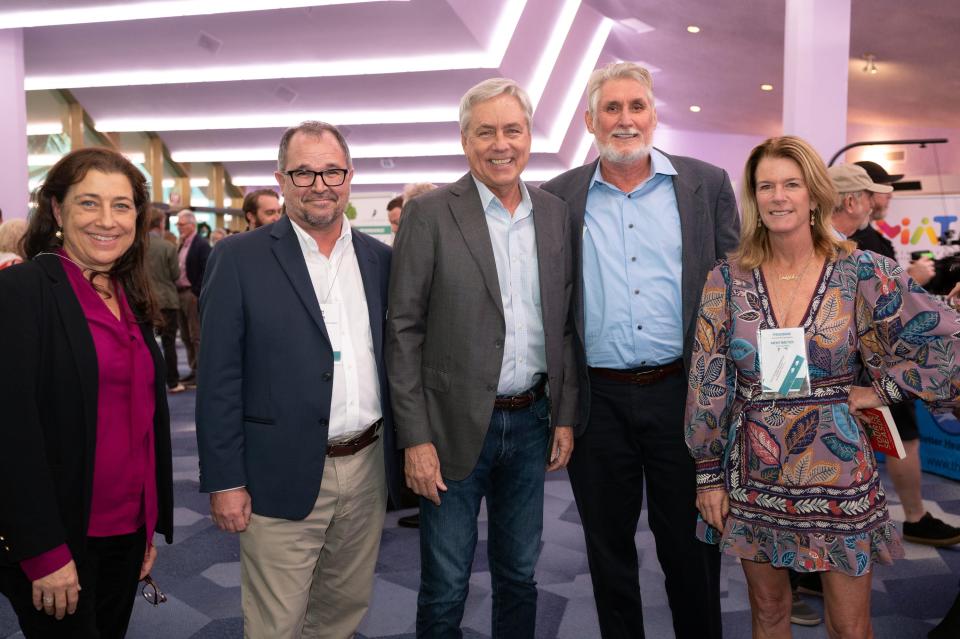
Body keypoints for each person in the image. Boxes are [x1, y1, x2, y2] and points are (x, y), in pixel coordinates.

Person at [686, 135, 960, 638]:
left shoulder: (863, 271)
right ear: (754, 197)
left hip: (839, 472)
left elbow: (944, 339)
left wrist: (882, 390)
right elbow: (709, 378)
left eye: (791, 184)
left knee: (850, 626)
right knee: (768, 611)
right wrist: (708, 472)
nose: (778, 196)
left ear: (815, 194)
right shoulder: (727, 280)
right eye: (765, 185)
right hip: (754, 471)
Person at [540, 61, 738, 639]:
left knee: (693, 544)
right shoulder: (559, 197)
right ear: (589, 120)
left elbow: (736, 291)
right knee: (607, 548)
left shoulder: (705, 185)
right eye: (611, 108)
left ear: (653, 115)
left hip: (685, 393)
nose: (625, 119)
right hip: (596, 400)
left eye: (636, 107)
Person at [386, 77, 578, 637]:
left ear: (529, 136)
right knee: (445, 585)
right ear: (465, 141)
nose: (501, 143)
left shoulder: (554, 212)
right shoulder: (429, 214)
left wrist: (563, 415)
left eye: (512, 130)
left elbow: (563, 324)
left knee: (520, 575)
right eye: (486, 131)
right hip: (449, 429)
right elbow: (404, 332)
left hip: (532, 421)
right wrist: (415, 439)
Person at [196, 120, 401, 638]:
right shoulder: (238, 258)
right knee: (275, 624)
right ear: (280, 179)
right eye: (303, 172)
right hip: (276, 471)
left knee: (341, 612)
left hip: (367, 466)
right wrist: (225, 480)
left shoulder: (381, 260)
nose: (319, 184)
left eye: (332, 171)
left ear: (349, 177)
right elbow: (218, 376)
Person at [0, 147, 174, 637]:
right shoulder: (23, 292)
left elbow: (140, 418)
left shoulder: (128, 294)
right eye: (88, 203)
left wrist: (147, 524)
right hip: (57, 536)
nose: (108, 220)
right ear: (57, 210)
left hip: (125, 529)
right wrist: (43, 551)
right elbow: (11, 433)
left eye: (122, 206)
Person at [845, 160, 960, 548]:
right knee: (892, 439)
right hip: (874, 368)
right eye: (880, 189)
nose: (888, 196)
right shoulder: (857, 248)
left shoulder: (868, 242)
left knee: (893, 439)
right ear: (853, 199)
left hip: (878, 370)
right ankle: (909, 518)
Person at [146, 208, 185, 394]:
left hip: (144, 300)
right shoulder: (168, 247)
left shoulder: (135, 245)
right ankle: (172, 382)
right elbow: (175, 275)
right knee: (169, 343)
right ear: (161, 224)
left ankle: (148, 381)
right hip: (167, 301)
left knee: (146, 343)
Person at [174, 209, 210, 386]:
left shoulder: (201, 244)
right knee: (186, 336)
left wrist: (196, 292)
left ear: (191, 224)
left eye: (181, 224)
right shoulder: (181, 244)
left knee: (196, 334)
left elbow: (207, 270)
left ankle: (202, 372)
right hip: (179, 293)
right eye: (178, 224)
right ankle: (193, 368)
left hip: (192, 294)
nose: (178, 227)